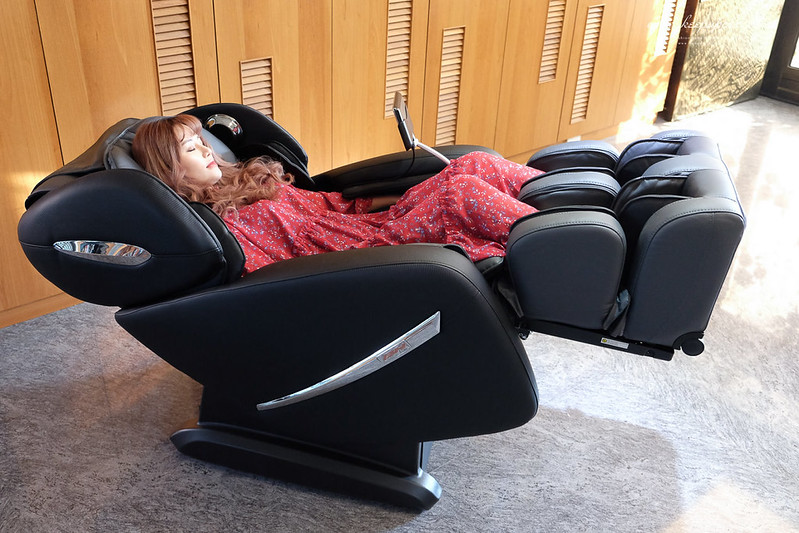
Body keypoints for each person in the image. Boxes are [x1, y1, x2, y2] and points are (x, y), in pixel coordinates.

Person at [132, 114, 543, 274]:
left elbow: (331, 206)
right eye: (191, 148)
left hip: (370, 227)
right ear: (171, 168)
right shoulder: (218, 227)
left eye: (201, 141)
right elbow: (269, 280)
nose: (207, 150)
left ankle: (568, 197)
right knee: (461, 192)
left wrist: (405, 198)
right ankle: (557, 243)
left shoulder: (241, 182)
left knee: (472, 164)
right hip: (359, 257)